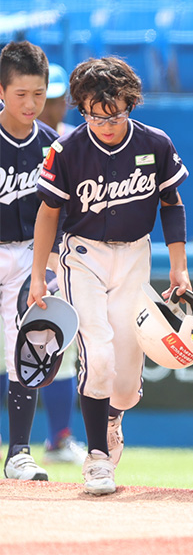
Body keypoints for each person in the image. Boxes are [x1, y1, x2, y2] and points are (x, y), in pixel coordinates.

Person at [29, 55, 192, 496]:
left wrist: (179, 264)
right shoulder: (68, 149)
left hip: (136, 256)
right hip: (83, 256)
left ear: (130, 102)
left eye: (114, 112)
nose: (105, 122)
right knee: (96, 355)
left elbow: (171, 204)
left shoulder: (155, 143)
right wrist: (39, 272)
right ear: (82, 107)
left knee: (125, 384)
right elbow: (48, 211)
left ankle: (113, 419)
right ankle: (97, 457)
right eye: (94, 114)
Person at [0, 41, 61, 482]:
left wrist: (49, 267)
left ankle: (19, 451)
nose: (31, 103)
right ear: (2, 90)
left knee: (30, 345)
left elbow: (64, 214)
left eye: (38, 93)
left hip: (27, 257)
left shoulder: (55, 146)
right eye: (21, 93)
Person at [32, 61, 88, 466]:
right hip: (14, 247)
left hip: (60, 254)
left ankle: (58, 439)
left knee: (60, 344)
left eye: (50, 97)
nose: (45, 105)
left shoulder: (74, 143)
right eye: (39, 96)